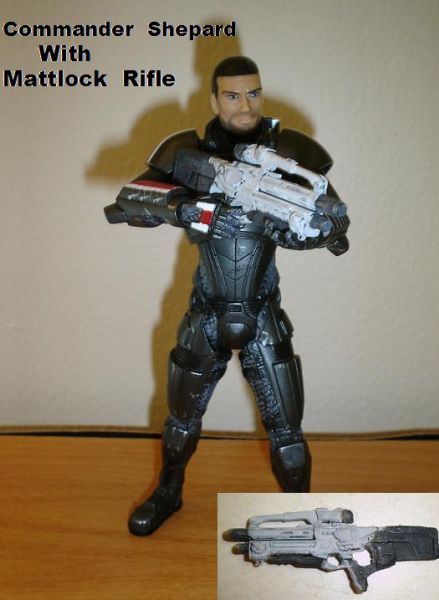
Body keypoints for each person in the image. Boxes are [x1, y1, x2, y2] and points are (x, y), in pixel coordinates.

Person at [104, 56, 349, 536]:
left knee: (287, 433)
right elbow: (127, 202)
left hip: (261, 315)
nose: (245, 105)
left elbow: (333, 230)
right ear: (215, 100)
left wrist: (304, 228)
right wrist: (184, 208)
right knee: (181, 421)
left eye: (253, 93)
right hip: (206, 314)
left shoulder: (291, 156)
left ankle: (309, 522)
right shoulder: (188, 152)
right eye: (232, 96)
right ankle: (169, 490)